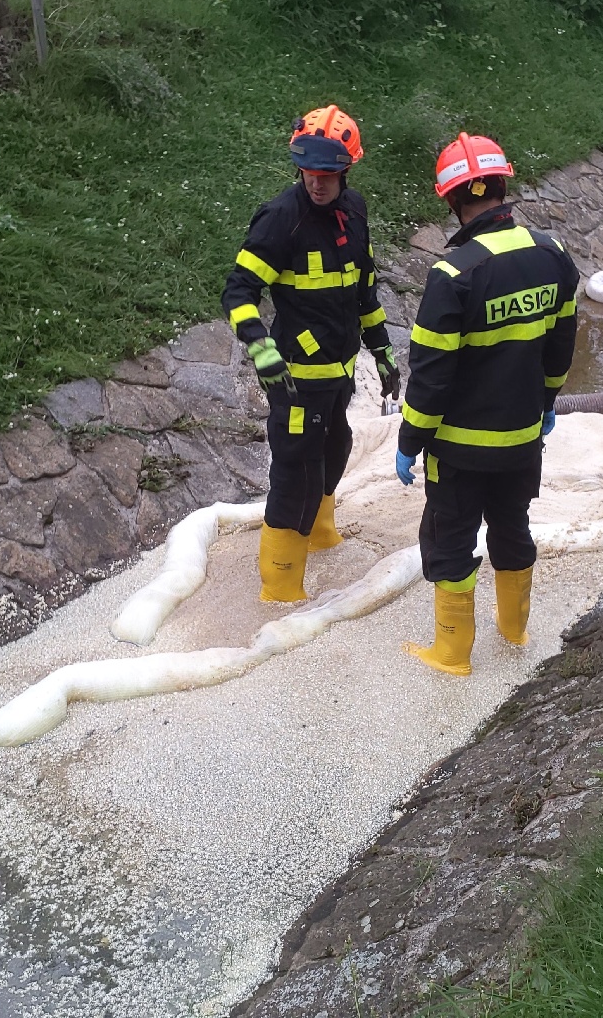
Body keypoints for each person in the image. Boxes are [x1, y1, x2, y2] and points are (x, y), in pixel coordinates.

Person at [396, 133, 579, 676]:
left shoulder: (454, 275)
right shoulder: (554, 255)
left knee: (449, 541)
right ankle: (515, 630)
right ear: (503, 186)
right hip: (523, 440)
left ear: (453, 200)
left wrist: (409, 443)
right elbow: (561, 345)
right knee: (512, 525)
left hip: (459, 451)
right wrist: (547, 401)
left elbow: (431, 378)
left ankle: (452, 655)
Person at [222, 106, 400, 603]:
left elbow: (364, 293)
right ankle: (279, 588)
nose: (316, 183)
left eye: (326, 174)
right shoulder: (282, 219)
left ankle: (321, 534)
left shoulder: (356, 212)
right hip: (293, 377)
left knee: (336, 448)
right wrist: (260, 349)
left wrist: (382, 352)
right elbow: (238, 292)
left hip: (339, 371)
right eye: (307, 171)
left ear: (346, 170)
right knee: (295, 473)